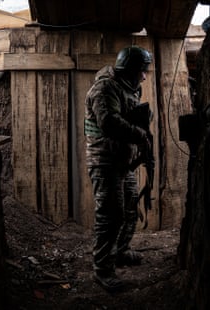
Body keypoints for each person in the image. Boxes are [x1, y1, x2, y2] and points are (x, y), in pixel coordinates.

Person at [84, 45, 153, 292]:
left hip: (123, 163)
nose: (145, 76)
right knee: (110, 216)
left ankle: (120, 251)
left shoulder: (128, 88)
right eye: (142, 71)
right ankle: (102, 271)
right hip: (105, 163)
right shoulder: (105, 88)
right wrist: (140, 135)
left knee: (130, 207)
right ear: (129, 70)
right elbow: (109, 122)